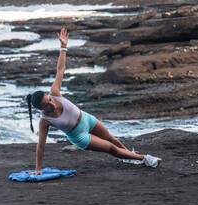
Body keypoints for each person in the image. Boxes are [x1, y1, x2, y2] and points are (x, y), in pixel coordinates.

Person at [26, 28, 161, 175]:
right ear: (41, 108)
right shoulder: (45, 121)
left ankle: (130, 156)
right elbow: (40, 146)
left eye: (50, 100)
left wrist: (63, 47)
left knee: (112, 139)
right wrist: (38, 169)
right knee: (111, 149)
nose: (52, 103)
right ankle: (145, 158)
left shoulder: (55, 92)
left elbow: (60, 69)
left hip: (86, 118)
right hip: (79, 136)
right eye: (47, 105)